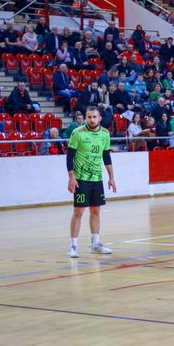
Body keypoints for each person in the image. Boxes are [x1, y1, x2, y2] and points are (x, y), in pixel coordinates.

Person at [67, 106, 116, 258]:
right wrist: (71, 177)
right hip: (81, 179)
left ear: (99, 118)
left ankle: (95, 244)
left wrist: (111, 177)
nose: (92, 119)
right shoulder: (78, 133)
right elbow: (69, 156)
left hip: (97, 179)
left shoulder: (105, 133)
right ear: (86, 118)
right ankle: (73, 246)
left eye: (94, 117)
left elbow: (106, 156)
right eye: (89, 117)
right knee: (79, 211)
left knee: (95, 210)